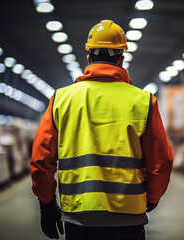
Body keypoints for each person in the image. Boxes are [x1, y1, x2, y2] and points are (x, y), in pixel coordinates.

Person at [30, 19, 173, 240]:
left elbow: (41, 160)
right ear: (121, 59)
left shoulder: (61, 99)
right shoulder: (144, 101)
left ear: (89, 58)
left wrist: (46, 204)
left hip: (79, 217)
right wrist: (152, 197)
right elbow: (161, 161)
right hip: (129, 217)